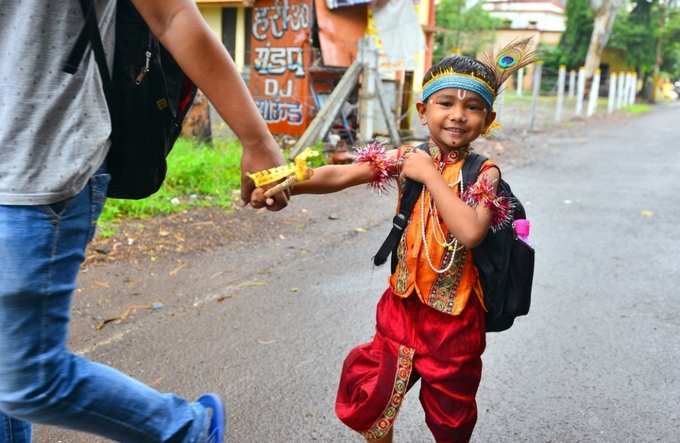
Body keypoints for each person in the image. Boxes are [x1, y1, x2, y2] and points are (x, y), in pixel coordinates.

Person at [0, 1, 288, 442]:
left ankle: (187, 429)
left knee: (29, 379)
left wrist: (257, 139)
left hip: (39, 167)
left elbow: (172, 17)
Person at [252, 48, 534, 442]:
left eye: (472, 107)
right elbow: (340, 175)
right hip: (401, 307)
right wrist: (289, 182)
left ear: (487, 120)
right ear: (423, 110)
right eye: (445, 103)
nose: (457, 114)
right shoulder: (407, 157)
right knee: (371, 395)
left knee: (451, 418)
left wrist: (431, 178)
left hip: (454, 321)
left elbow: (471, 232)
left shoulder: (485, 173)